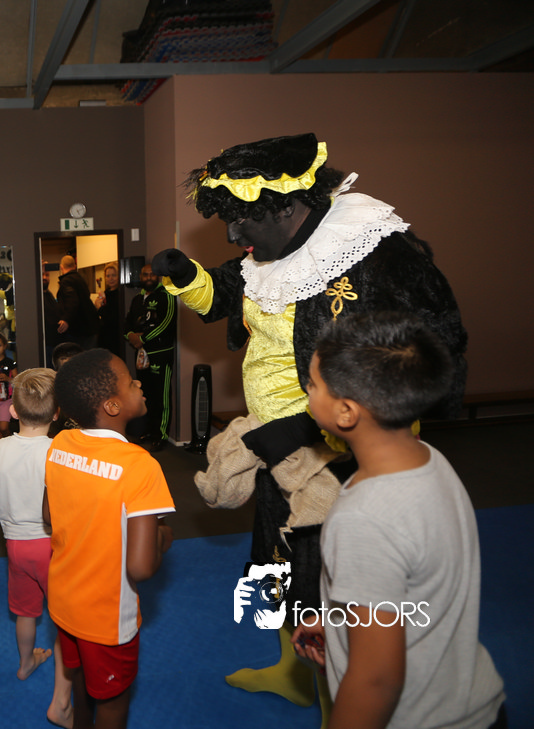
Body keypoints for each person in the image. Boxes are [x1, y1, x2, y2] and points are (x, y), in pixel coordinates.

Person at [153, 133, 467, 711]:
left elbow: (430, 347)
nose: (232, 235)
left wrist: (307, 428)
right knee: (279, 561)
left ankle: (340, 693)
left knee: (331, 578)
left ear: (285, 206)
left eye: (241, 219)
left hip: (344, 451)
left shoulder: (370, 250)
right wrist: (187, 275)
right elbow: (227, 292)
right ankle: (292, 672)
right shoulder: (267, 254)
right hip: (274, 441)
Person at [292, 312, 505, 729]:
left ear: (346, 412)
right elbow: (409, 586)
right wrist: (339, 622)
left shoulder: (363, 519)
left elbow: (376, 682)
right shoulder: (428, 459)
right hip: (472, 703)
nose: (307, 390)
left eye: (313, 384)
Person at [45, 349, 174, 729]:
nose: (139, 383)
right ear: (113, 406)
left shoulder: (60, 444)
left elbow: (49, 516)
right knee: (114, 702)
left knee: (82, 681)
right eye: (132, 382)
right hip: (107, 617)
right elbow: (141, 567)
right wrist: (162, 536)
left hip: (64, 601)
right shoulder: (140, 465)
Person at [0, 369, 73, 728]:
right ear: (56, 413)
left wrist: (13, 488)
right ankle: (63, 697)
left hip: (15, 548)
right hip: (52, 548)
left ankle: (26, 663)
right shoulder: (60, 450)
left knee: (26, 612)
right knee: (64, 621)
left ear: (13, 411)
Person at [124, 265, 177, 451]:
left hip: (160, 354)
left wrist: (143, 339)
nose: (148, 277)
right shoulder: (137, 299)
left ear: (158, 276)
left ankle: (160, 435)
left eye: (152, 274)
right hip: (140, 355)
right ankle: (147, 430)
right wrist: (131, 336)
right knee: (144, 394)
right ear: (140, 276)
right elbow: (128, 323)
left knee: (161, 396)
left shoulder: (166, 296)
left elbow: (166, 324)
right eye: (145, 274)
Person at [54, 255, 99, 350]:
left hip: (78, 330)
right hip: (90, 326)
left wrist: (66, 319)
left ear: (61, 267)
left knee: (77, 356)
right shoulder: (81, 279)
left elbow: (72, 301)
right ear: (74, 266)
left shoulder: (66, 281)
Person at [95, 264, 124, 356]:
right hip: (104, 336)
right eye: (108, 276)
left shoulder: (120, 294)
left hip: (115, 337)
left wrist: (99, 308)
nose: (111, 278)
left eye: (114, 275)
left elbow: (112, 317)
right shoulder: (105, 294)